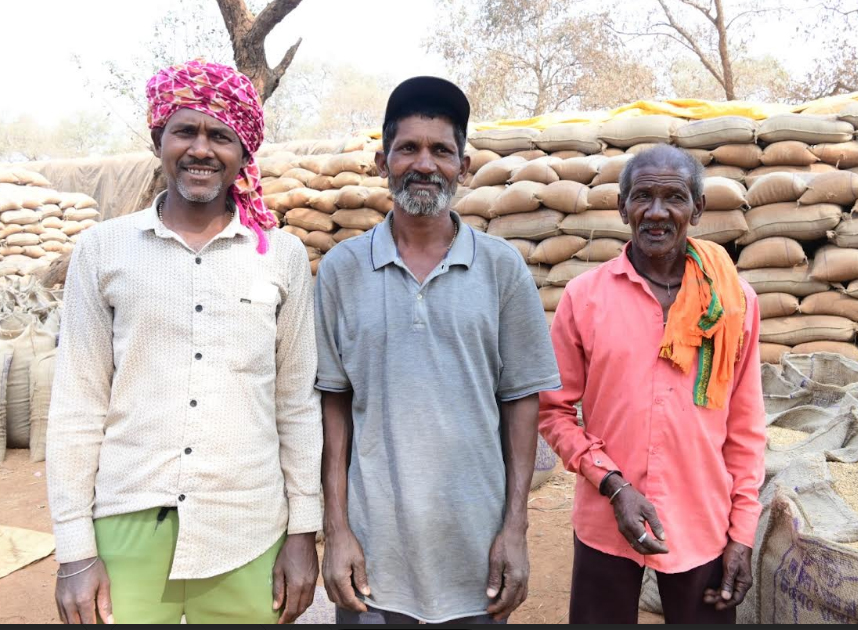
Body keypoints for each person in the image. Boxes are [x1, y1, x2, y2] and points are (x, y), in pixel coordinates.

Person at [46, 59, 322, 624]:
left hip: (247, 527)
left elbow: (296, 405)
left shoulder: (283, 257)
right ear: (158, 140)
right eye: (185, 131)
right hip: (128, 525)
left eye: (221, 135)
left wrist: (303, 533)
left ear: (244, 153)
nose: (202, 149)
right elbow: (77, 404)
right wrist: (75, 550)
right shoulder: (103, 251)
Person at [315, 76, 562, 625]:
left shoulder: (502, 270)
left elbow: (522, 402)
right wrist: (337, 530)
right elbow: (333, 407)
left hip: (475, 556)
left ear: (464, 166)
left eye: (441, 151)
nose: (424, 164)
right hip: (374, 560)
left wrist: (515, 529)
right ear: (383, 161)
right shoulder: (341, 271)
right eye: (408, 148)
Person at [538, 144, 766, 624]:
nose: (657, 212)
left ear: (698, 209)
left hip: (702, 522)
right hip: (604, 520)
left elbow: (745, 428)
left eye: (674, 198)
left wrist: (742, 532)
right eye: (643, 197)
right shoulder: (585, 297)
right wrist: (614, 485)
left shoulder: (733, 303)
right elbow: (554, 411)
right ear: (622, 207)